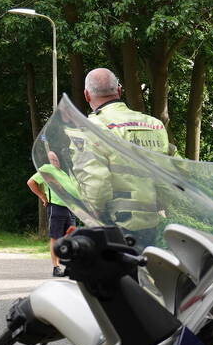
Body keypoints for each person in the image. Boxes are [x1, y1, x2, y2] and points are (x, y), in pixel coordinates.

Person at [72, 68, 173, 247]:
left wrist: (96, 218)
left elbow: (96, 185)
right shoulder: (154, 125)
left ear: (87, 95)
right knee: (144, 272)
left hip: (115, 225)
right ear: (118, 90)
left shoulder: (91, 128)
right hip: (152, 222)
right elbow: (168, 174)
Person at [27, 151, 80, 276]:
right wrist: (42, 197)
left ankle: (68, 265)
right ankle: (56, 268)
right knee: (55, 237)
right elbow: (31, 182)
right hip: (56, 207)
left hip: (69, 208)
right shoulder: (47, 168)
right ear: (49, 159)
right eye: (52, 157)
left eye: (56, 157)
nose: (55, 158)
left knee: (71, 237)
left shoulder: (63, 172)